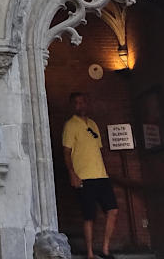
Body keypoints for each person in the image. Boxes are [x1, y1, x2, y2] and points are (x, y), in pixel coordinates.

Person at [62, 92, 117, 259]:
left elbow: (99, 149)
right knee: (89, 216)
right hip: (83, 177)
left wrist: (106, 170)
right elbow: (66, 152)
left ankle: (105, 249)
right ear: (73, 106)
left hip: (101, 176)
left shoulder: (93, 124)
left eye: (83, 102)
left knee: (113, 210)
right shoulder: (70, 125)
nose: (81, 105)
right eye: (77, 103)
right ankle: (90, 253)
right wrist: (72, 174)